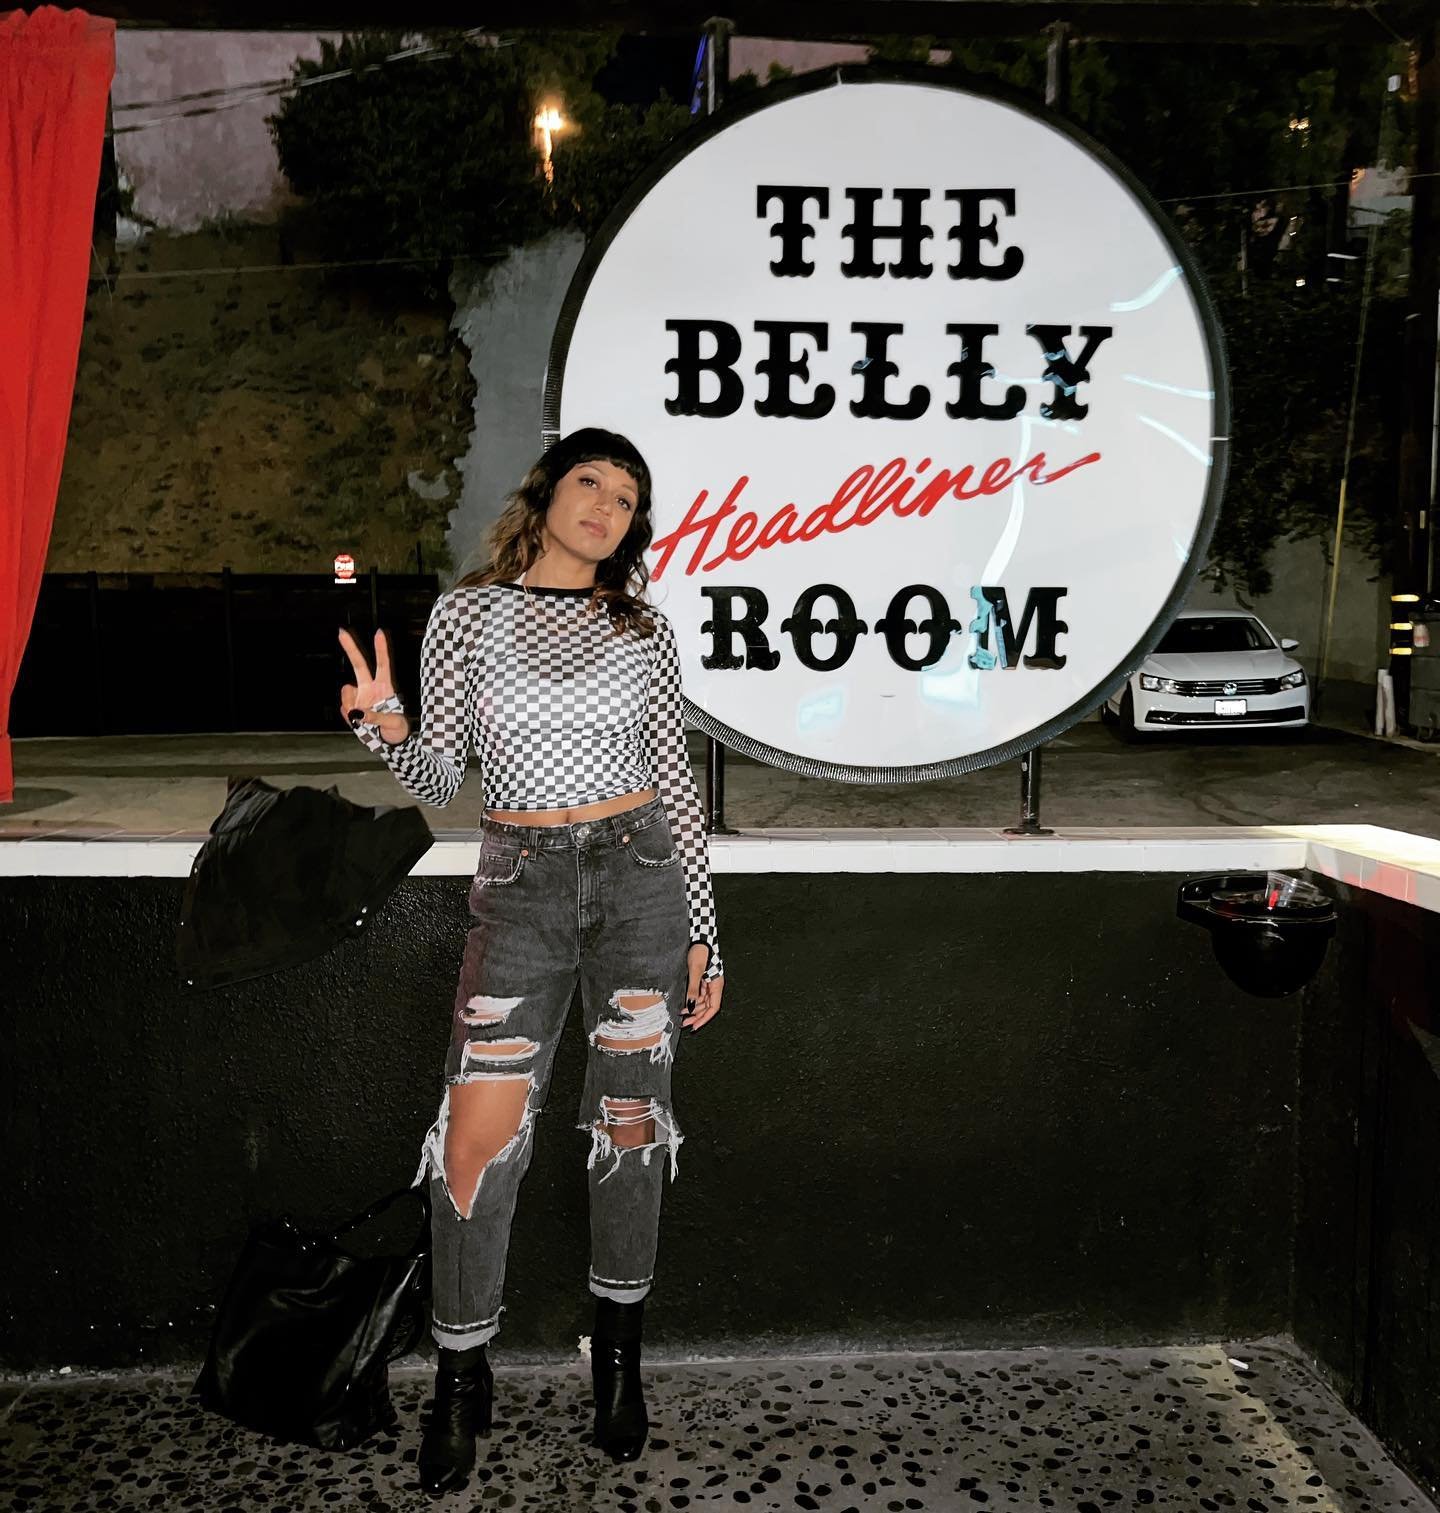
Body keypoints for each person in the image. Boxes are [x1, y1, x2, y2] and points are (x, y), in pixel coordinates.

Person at [338, 428, 724, 1495]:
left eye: (627, 495)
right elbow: (436, 769)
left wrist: (704, 926)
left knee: (632, 1126)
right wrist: (381, 723)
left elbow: (676, 786)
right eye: (590, 482)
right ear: (547, 494)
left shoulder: (640, 627)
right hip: (522, 887)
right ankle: (463, 1377)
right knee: (475, 1136)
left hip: (640, 874)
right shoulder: (467, 614)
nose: (606, 504)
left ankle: (617, 1357)